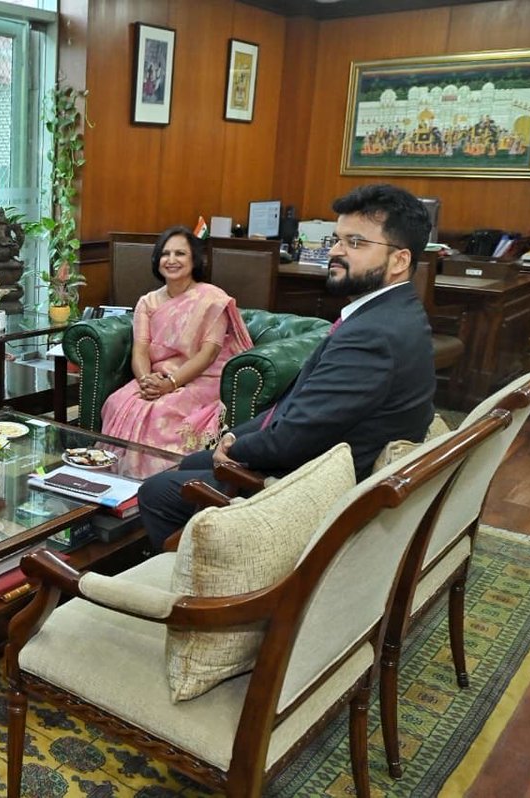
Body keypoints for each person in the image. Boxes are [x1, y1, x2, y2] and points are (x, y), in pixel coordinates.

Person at [137, 184, 436, 553]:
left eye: (355, 243)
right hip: (325, 458)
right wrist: (233, 438)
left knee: (155, 491)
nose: (336, 252)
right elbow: (297, 410)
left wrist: (238, 448)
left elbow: (297, 436)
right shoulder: (394, 313)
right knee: (190, 461)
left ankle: (197, 586)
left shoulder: (374, 335)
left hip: (313, 489)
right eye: (337, 240)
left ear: (399, 261)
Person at [100, 226, 253, 462]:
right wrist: (145, 381)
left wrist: (171, 384)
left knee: (162, 411)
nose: (171, 260)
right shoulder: (148, 302)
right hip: (157, 377)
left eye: (180, 254)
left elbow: (209, 353)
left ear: (195, 260)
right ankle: (117, 477)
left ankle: (166, 483)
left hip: (203, 377)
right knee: (116, 402)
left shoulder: (213, 299)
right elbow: (140, 350)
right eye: (165, 254)